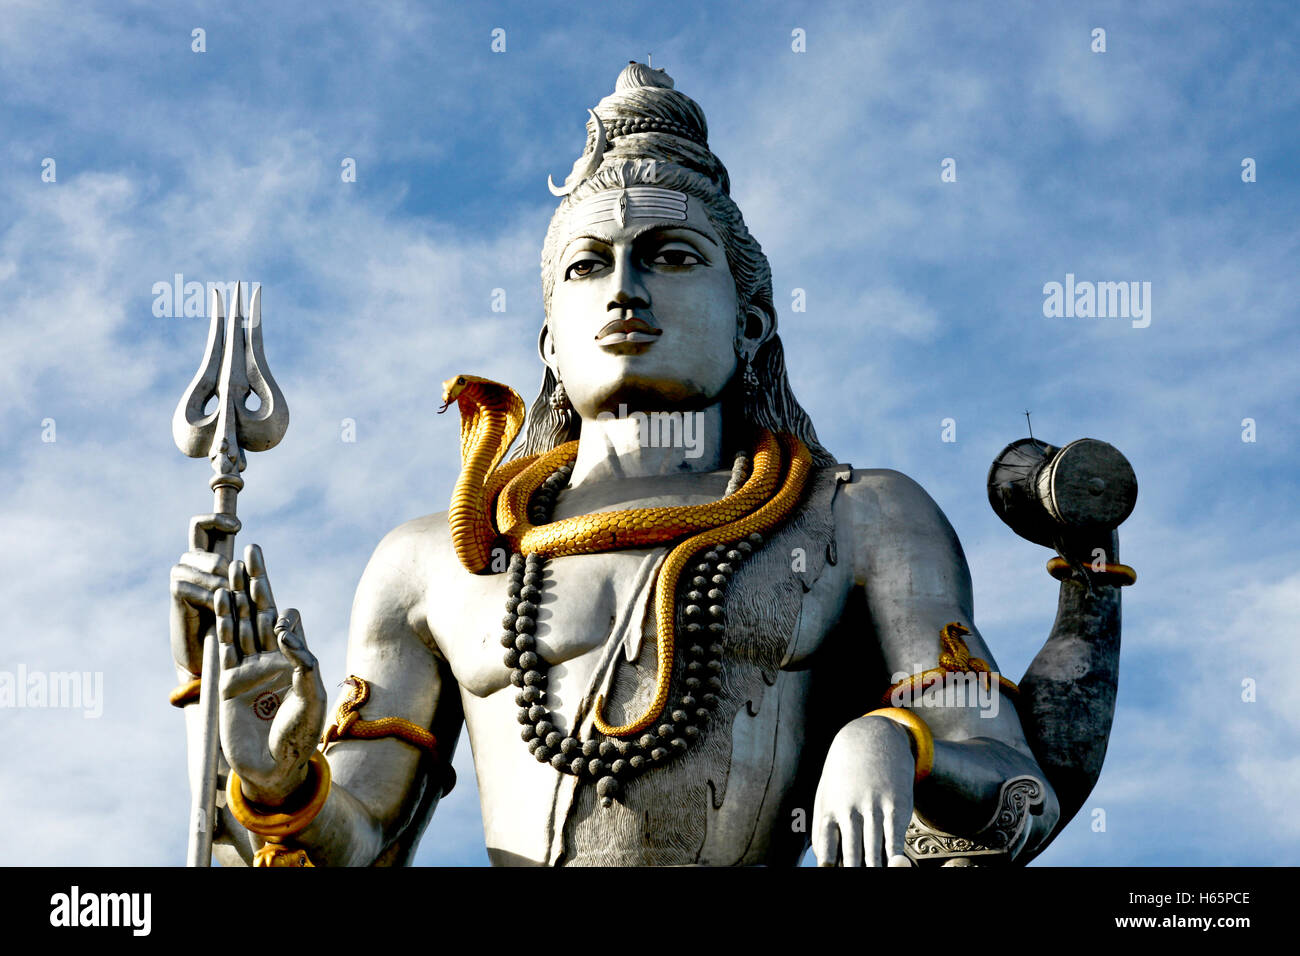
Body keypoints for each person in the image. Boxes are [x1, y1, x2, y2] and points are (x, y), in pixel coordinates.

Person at [168, 62, 1107, 867]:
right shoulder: (435, 565)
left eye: (670, 255)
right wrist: (277, 777)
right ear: (549, 342)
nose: (625, 290)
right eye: (588, 265)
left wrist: (896, 740)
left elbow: (1015, 783)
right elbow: (361, 836)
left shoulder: (859, 518)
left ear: (749, 324)